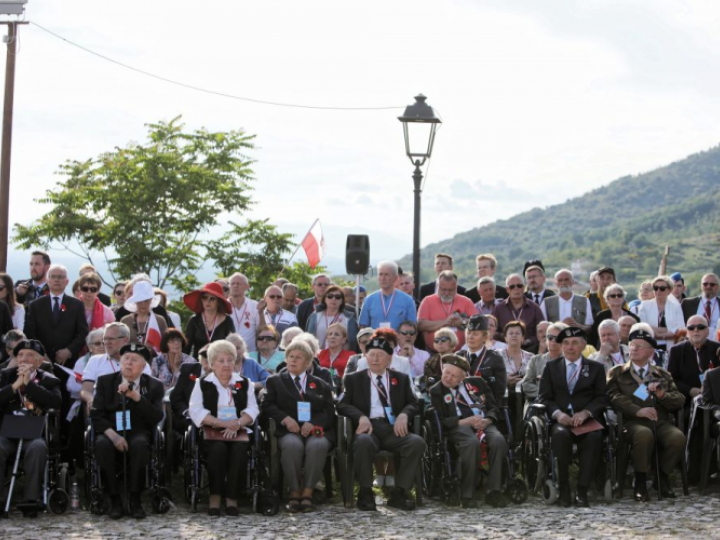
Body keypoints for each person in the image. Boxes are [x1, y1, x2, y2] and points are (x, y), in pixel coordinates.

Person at [337, 336, 425, 511]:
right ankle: (366, 491)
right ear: (366, 357)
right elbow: (342, 404)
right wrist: (361, 416)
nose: (375, 359)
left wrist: (404, 415)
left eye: (380, 355)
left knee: (416, 443)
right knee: (362, 442)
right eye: (371, 355)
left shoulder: (400, 378)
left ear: (389, 359)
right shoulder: (354, 379)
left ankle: (400, 492)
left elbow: (415, 403)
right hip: (368, 427)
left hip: (393, 428)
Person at [606, 329, 686, 501]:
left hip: (660, 421)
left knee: (677, 438)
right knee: (644, 434)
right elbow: (612, 396)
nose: (634, 349)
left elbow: (680, 400)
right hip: (632, 422)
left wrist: (663, 396)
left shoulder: (662, 374)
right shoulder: (617, 372)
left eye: (640, 346)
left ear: (651, 352)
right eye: (632, 345)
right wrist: (637, 409)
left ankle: (661, 478)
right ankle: (640, 482)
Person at [90, 344, 164, 519]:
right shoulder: (105, 382)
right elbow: (96, 414)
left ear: (144, 365)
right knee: (101, 445)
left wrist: (138, 398)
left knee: (139, 445)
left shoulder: (154, 386)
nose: (129, 363)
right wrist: (114, 436)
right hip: (111, 431)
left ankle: (135, 498)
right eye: (126, 358)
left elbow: (156, 417)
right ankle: (114, 499)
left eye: (134, 359)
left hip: (138, 431)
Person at [538, 327, 609, 508]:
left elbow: (601, 398)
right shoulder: (551, 367)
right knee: (560, 436)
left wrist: (586, 413)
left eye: (575, 343)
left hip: (585, 420)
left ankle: (582, 490)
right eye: (566, 343)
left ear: (584, 345)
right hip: (561, 420)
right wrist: (558, 414)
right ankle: (564, 488)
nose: (570, 347)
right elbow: (544, 398)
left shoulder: (596, 368)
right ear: (561, 346)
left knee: (594, 437)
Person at [261, 339, 335, 513]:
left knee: (318, 444)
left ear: (308, 363)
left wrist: (314, 423)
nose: (293, 360)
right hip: (289, 430)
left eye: (299, 358)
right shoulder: (275, 381)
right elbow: (267, 405)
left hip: (315, 430)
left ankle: (308, 492)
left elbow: (329, 411)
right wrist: (285, 419)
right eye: (291, 356)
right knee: (292, 445)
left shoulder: (320, 384)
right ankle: (294, 492)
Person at [428, 354, 509, 508]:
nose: (449, 378)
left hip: (484, 423)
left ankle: (494, 491)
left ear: (462, 379)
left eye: (454, 376)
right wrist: (464, 421)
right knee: (471, 443)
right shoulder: (436, 391)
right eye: (446, 373)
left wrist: (488, 420)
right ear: (442, 370)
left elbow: (493, 407)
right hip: (459, 426)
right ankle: (467, 494)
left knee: (498, 440)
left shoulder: (477, 383)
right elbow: (440, 420)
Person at [189, 340, 258, 517]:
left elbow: (252, 409)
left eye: (230, 360)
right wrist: (221, 423)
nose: (226, 364)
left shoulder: (245, 382)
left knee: (239, 450)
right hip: (212, 429)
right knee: (217, 450)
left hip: (238, 430)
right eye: (221, 360)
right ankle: (215, 496)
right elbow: (196, 410)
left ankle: (232, 498)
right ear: (212, 364)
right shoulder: (202, 383)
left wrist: (237, 423)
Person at [0, 339, 62, 517]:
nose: (24, 358)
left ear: (39, 361)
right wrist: (14, 387)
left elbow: (55, 402)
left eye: (29, 355)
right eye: (20, 355)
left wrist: (29, 386)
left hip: (34, 432)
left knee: (38, 448)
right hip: (7, 432)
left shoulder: (50, 380)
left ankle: (31, 499)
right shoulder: (5, 375)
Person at [24, 264, 89, 367]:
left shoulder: (76, 305)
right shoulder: (35, 305)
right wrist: (41, 353)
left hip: (68, 361)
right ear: (47, 280)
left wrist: (69, 350)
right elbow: (29, 332)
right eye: (53, 277)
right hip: (40, 361)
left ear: (67, 281)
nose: (56, 280)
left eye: (60, 277)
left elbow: (83, 332)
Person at [81, 323, 151, 415]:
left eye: (111, 339)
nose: (106, 342)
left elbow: (145, 393)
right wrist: (90, 400)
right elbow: (85, 390)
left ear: (125, 340)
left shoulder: (141, 364)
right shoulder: (95, 361)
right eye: (105, 338)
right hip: (103, 412)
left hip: (131, 412)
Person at [418, 270, 478, 353]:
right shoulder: (427, 301)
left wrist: (462, 322)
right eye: (443, 289)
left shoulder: (466, 302)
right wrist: (445, 322)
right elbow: (421, 325)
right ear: (438, 286)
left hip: (461, 353)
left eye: (450, 290)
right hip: (434, 353)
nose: (446, 293)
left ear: (456, 288)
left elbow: (478, 323)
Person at [667, 315, 720, 402]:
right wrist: (690, 390)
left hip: (715, 399)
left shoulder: (717, 348)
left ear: (708, 331)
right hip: (687, 400)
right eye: (691, 328)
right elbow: (672, 379)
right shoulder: (676, 350)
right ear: (687, 332)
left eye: (701, 327)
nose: (696, 330)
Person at [491, 274, 545, 351]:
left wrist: (528, 341)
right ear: (507, 289)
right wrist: (506, 337)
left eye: (519, 286)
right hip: (504, 351)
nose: (516, 289)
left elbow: (542, 332)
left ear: (524, 288)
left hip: (530, 350)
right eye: (512, 287)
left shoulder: (534, 308)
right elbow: (492, 331)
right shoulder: (499, 309)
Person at [359, 261, 416, 331]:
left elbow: (412, 327)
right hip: (375, 341)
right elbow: (363, 327)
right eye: (380, 274)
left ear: (395, 278)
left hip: (398, 341)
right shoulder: (369, 300)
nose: (383, 278)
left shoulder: (408, 300)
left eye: (386, 275)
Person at [183, 282, 236, 357]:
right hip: (198, 364)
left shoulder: (227, 321)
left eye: (212, 298)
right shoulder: (194, 320)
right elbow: (186, 348)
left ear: (218, 302)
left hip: (220, 364)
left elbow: (232, 345)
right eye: (204, 297)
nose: (208, 301)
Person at [521, 322, 567, 406]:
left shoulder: (570, 362)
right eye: (550, 338)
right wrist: (544, 395)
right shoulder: (535, 360)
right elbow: (526, 384)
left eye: (557, 338)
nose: (553, 341)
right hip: (538, 404)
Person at [638, 275, 685, 351]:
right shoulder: (645, 305)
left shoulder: (676, 306)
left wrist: (658, 335)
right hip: (649, 347)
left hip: (671, 347)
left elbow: (680, 329)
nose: (658, 291)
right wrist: (667, 330)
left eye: (662, 288)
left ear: (669, 290)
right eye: (655, 288)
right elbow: (642, 326)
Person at [170, 346, 210, 434]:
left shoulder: (223, 374)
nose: (209, 365)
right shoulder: (187, 370)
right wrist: (187, 412)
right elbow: (176, 398)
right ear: (200, 360)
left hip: (213, 417)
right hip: (189, 416)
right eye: (206, 360)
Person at [307, 284, 359, 351]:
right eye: (330, 296)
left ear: (342, 301)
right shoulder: (315, 316)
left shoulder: (349, 318)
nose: (333, 299)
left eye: (337, 297)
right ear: (324, 299)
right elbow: (308, 338)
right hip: (318, 356)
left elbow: (353, 342)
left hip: (341, 357)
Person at [120, 281, 169, 353]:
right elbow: (120, 344)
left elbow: (166, 343)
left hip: (154, 361)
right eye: (140, 300)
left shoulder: (160, 320)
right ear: (135, 301)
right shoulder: (125, 320)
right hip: (130, 360)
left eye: (146, 300)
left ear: (151, 300)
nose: (143, 304)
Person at [588, 284, 639, 348]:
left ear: (623, 298)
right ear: (607, 299)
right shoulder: (601, 316)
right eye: (613, 296)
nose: (616, 297)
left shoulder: (632, 317)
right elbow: (593, 337)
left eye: (619, 295)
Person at [227, 273, 262, 352]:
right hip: (228, 354)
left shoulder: (254, 305)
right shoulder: (223, 306)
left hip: (250, 354)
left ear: (247, 287)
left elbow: (261, 330)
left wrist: (261, 312)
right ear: (229, 286)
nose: (235, 286)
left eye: (238, 283)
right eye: (232, 283)